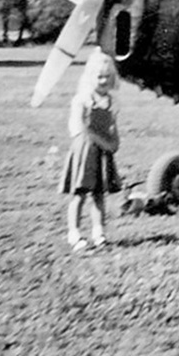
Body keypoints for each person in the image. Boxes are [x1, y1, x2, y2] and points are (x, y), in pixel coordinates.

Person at [60, 49, 122, 252]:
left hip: (102, 152)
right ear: (90, 77)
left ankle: (99, 232)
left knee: (99, 194)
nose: (103, 81)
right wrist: (104, 143)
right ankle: (74, 233)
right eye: (99, 77)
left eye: (107, 77)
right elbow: (80, 128)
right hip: (85, 150)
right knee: (80, 193)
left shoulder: (112, 102)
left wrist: (114, 143)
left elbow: (113, 127)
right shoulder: (83, 99)